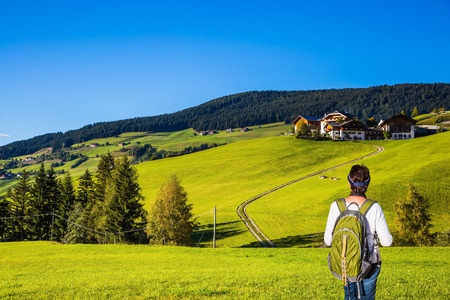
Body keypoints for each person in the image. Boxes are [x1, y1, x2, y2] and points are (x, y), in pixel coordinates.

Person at [324, 164, 393, 300]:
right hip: (369, 265)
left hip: (345, 263)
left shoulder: (336, 206)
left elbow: (328, 240)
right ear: (367, 185)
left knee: (349, 297)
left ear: (349, 184)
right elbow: (387, 242)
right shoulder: (374, 207)